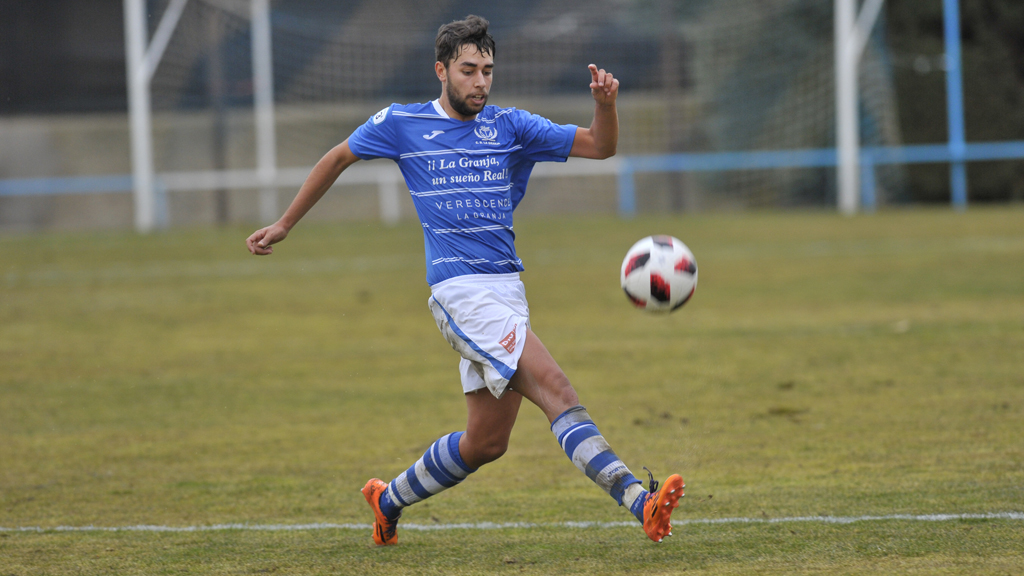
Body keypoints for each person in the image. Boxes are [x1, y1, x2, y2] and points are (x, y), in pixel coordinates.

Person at [246, 15, 683, 545]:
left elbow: (599, 146)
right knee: (556, 389)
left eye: (487, 71)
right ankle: (640, 502)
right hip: (460, 293)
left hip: (507, 290)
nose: (480, 81)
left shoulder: (511, 126)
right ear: (442, 70)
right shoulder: (402, 123)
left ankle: (387, 500)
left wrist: (606, 105)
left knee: (485, 443)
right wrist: (285, 223)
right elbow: (338, 157)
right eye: (468, 70)